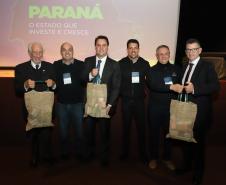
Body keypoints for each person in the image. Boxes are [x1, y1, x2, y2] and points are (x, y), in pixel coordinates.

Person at [176, 38, 220, 185]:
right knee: (185, 142)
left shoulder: (207, 66)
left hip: (199, 114)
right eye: (188, 49)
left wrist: (195, 89)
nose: (191, 52)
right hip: (183, 111)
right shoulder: (184, 65)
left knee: (198, 146)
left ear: (200, 50)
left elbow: (215, 87)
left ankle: (198, 173)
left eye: (194, 49)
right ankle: (187, 166)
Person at [15, 42, 56, 167]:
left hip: (46, 109)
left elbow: (56, 86)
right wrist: (26, 85)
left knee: (46, 134)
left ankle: (47, 156)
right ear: (29, 53)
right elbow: (17, 89)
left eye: (40, 52)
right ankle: (34, 156)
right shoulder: (20, 68)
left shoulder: (50, 67)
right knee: (33, 134)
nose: (38, 55)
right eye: (35, 52)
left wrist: (53, 84)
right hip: (30, 109)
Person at [83, 35, 121, 166]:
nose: (101, 48)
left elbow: (116, 87)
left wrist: (110, 104)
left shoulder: (115, 65)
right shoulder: (87, 61)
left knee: (105, 134)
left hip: (105, 106)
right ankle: (88, 155)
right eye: (98, 45)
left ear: (107, 47)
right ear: (95, 47)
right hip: (89, 105)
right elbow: (82, 79)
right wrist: (90, 75)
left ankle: (104, 158)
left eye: (104, 45)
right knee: (88, 133)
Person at [148, 45, 183, 170]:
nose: (163, 56)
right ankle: (153, 157)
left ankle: (167, 158)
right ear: (156, 56)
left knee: (169, 134)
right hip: (155, 108)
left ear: (169, 54)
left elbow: (181, 85)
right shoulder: (151, 70)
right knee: (154, 134)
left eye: (166, 53)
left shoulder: (177, 69)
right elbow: (154, 85)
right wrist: (171, 87)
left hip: (172, 108)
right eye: (160, 54)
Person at [118, 39, 150, 164]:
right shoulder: (120, 63)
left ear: (138, 49)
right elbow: (117, 81)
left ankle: (143, 154)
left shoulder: (145, 64)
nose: (133, 50)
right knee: (126, 128)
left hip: (139, 102)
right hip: (125, 101)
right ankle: (125, 153)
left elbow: (150, 81)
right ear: (127, 49)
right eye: (130, 48)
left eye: (135, 47)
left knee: (141, 129)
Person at [54, 42, 86, 161]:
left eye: (70, 49)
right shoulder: (56, 65)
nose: (67, 52)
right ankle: (64, 153)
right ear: (61, 52)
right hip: (61, 104)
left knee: (79, 133)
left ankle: (80, 153)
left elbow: (85, 82)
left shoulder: (81, 65)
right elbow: (54, 84)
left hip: (77, 104)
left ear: (73, 51)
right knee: (63, 133)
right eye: (64, 50)